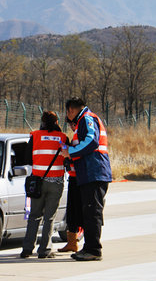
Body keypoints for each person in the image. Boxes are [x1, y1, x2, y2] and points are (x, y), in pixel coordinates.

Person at [61, 97, 112, 261]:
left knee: (92, 213)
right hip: (90, 173)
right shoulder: (85, 119)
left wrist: (70, 151)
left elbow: (91, 141)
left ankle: (93, 249)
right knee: (90, 213)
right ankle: (89, 247)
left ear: (71, 110)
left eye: (67, 112)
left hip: (94, 173)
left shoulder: (86, 119)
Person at [20, 111, 67, 259]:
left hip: (38, 182)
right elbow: (68, 158)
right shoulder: (63, 138)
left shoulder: (35, 136)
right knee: (49, 217)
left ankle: (27, 249)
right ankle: (45, 250)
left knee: (34, 215)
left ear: (42, 121)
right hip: (56, 182)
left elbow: (27, 158)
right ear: (57, 122)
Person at [58, 118, 83, 253]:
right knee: (71, 212)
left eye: (73, 124)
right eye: (70, 125)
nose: (72, 127)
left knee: (80, 210)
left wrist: (68, 152)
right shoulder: (74, 137)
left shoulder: (80, 137)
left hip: (81, 178)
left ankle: (76, 242)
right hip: (73, 178)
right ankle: (71, 242)